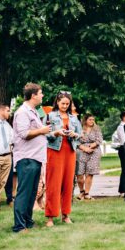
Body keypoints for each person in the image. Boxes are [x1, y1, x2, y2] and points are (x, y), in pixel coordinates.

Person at [12, 83, 52, 233]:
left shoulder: (34, 111)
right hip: (26, 157)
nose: (42, 96)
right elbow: (24, 133)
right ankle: (19, 225)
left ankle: (28, 221)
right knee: (24, 192)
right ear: (33, 95)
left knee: (32, 192)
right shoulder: (22, 112)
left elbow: (40, 133)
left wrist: (54, 133)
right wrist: (42, 130)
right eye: (41, 93)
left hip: (36, 157)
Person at [45, 92, 80, 225]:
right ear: (57, 102)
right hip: (55, 151)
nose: (65, 106)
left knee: (68, 184)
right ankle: (50, 216)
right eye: (63, 103)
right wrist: (55, 132)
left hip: (70, 152)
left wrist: (74, 134)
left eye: (67, 104)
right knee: (53, 184)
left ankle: (66, 215)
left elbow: (80, 134)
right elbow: (44, 133)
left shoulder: (74, 118)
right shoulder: (50, 115)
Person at [76, 115, 103, 200]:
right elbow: (75, 141)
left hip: (94, 152)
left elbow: (99, 140)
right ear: (85, 120)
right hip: (81, 152)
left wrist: (92, 146)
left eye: (93, 120)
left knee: (90, 173)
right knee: (79, 174)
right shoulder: (79, 129)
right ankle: (81, 192)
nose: (92, 121)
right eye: (90, 119)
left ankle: (87, 193)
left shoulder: (96, 129)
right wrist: (84, 148)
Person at [112, 110, 125, 197]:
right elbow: (124, 141)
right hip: (124, 149)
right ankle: (122, 190)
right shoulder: (121, 127)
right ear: (124, 117)